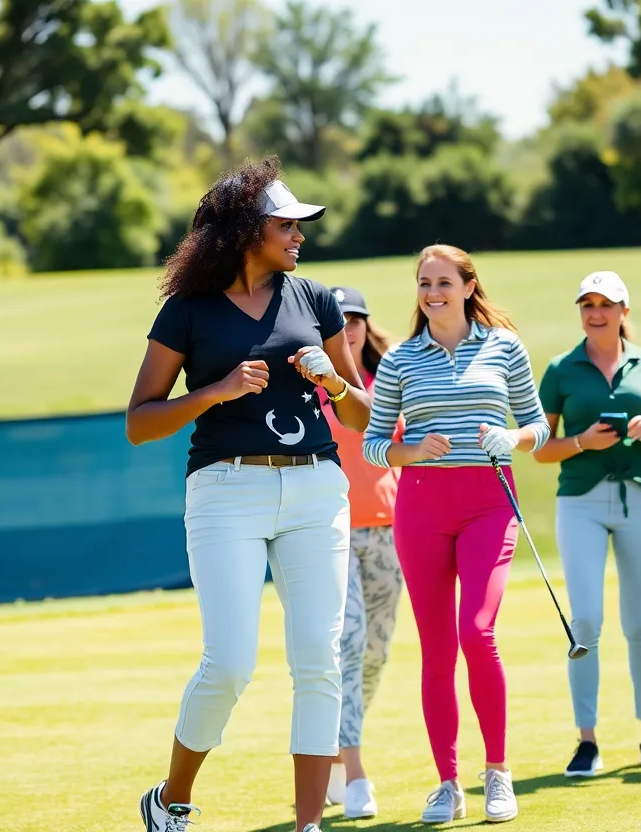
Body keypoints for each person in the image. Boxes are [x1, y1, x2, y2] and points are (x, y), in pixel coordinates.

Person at [125, 156, 373, 832]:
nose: (299, 235)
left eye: (300, 225)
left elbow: (359, 418)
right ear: (245, 231)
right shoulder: (187, 311)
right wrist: (214, 391)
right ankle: (170, 800)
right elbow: (140, 421)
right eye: (286, 224)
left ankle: (307, 826)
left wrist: (334, 381)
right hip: (225, 490)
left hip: (317, 488)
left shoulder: (317, 300)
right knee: (230, 663)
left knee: (319, 659)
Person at [360, 244, 551, 825]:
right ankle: (447, 782)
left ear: (469, 286)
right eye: (424, 283)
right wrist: (410, 450)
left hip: (489, 504)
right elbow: (373, 445)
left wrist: (512, 439)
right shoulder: (399, 360)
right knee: (437, 648)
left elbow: (539, 425)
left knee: (477, 630)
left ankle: (497, 773)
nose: (433, 292)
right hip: (421, 508)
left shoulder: (504, 347)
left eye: (444, 281)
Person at [533, 271, 641, 778]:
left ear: (624, 310)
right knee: (587, 621)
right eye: (587, 304)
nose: (595, 312)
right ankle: (587, 741)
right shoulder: (559, 369)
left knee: (640, 623)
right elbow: (540, 448)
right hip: (580, 502)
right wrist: (582, 442)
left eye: (606, 304)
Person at [318, 286, 405, 820]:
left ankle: (334, 743)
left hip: (391, 530)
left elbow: (407, 443)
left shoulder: (389, 380)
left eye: (355, 319)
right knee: (348, 644)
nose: (347, 327)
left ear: (366, 326)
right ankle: (355, 773)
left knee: (376, 653)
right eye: (338, 319)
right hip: (333, 533)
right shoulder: (312, 387)